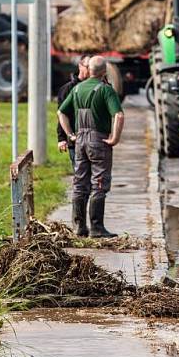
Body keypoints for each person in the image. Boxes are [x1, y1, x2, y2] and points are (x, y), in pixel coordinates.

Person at [58, 56, 125, 237]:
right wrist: (114, 138)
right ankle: (97, 228)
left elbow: (61, 112)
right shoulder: (106, 90)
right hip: (98, 141)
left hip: (79, 141)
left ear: (90, 70)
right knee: (99, 184)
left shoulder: (77, 88)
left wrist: (70, 134)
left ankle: (79, 227)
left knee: (80, 184)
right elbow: (118, 115)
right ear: (104, 72)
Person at [56, 55, 90, 170]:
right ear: (80, 66)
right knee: (80, 177)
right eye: (88, 67)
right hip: (75, 142)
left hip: (95, 141)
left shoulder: (101, 87)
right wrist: (62, 138)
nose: (91, 71)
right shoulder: (67, 89)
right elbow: (61, 113)